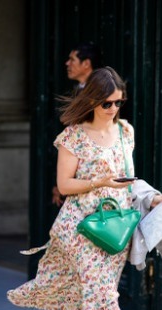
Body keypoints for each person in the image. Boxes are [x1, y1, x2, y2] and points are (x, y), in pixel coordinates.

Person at [8, 67, 162, 310]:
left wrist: (151, 197)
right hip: (80, 228)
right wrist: (99, 182)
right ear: (93, 100)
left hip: (115, 230)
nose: (113, 109)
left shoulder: (126, 132)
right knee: (104, 297)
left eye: (118, 103)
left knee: (92, 294)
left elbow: (130, 179)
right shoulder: (74, 136)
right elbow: (65, 185)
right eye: (107, 103)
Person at [53, 42, 104, 207]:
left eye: (72, 59)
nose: (67, 63)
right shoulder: (79, 90)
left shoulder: (99, 94)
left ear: (86, 63)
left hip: (89, 176)